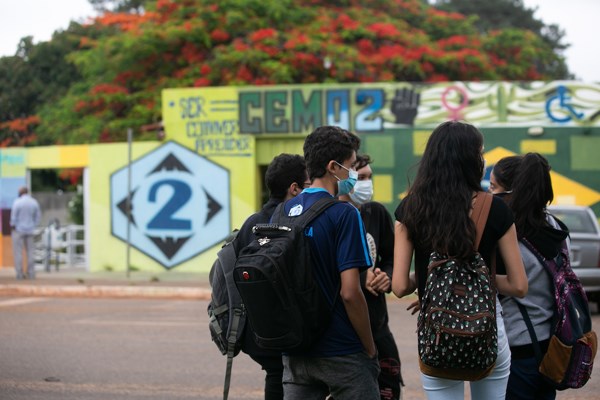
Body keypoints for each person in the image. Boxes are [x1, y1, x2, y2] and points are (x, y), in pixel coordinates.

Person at [391, 120, 528, 400]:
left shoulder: (410, 208)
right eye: (481, 152)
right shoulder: (496, 209)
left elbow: (400, 286)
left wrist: (436, 281)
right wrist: (474, 278)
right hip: (487, 329)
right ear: (471, 159)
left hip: (437, 331)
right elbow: (518, 285)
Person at [281, 125, 380, 399]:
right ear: (334, 167)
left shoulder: (283, 211)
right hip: (342, 351)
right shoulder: (344, 214)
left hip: (296, 351)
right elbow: (350, 292)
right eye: (350, 166)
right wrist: (370, 348)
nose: (353, 175)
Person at [490, 153, 569, 400]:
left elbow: (512, 285)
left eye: (493, 187)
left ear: (512, 191)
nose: (489, 193)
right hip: (552, 344)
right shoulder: (554, 226)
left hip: (517, 346)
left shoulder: (508, 234)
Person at [234, 153, 310, 400]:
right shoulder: (292, 222)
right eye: (308, 185)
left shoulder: (251, 222)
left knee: (275, 376)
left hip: (255, 332)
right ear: (295, 188)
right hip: (286, 331)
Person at [339, 154, 404, 400]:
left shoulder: (375, 213)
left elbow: (390, 258)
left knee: (388, 388)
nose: (367, 183)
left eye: (370, 177)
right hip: (345, 332)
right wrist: (360, 275)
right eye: (361, 177)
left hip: (378, 326)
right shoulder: (333, 215)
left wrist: (387, 276)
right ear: (347, 178)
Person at [10, 186, 42, 280]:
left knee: (18, 253)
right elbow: (38, 216)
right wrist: (33, 225)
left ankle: (19, 274)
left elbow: (13, 217)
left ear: (20, 192)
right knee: (30, 252)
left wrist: (13, 226)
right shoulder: (34, 202)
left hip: (18, 230)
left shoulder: (17, 202)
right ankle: (31, 273)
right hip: (30, 230)